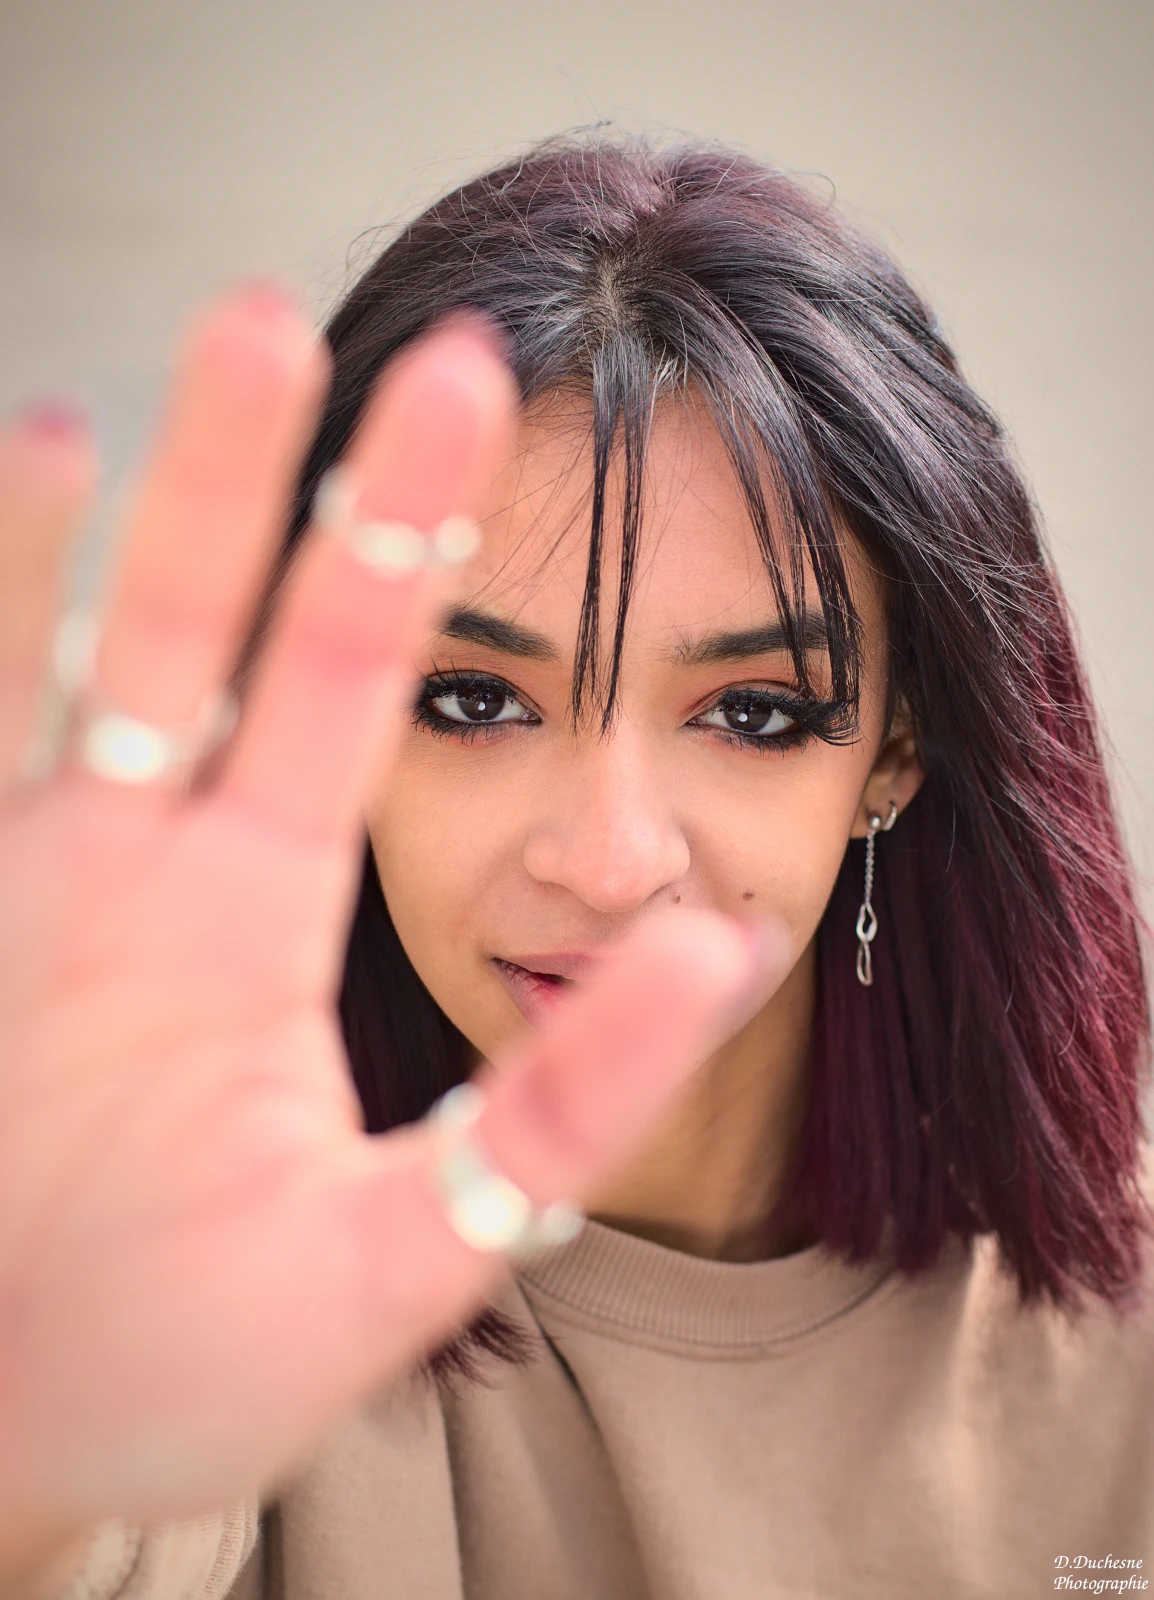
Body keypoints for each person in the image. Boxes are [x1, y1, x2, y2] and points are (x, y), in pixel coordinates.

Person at [0, 133, 1150, 1600]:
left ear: (895, 749)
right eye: (475, 700)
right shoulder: (211, 1279)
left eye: (750, 713)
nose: (609, 862)